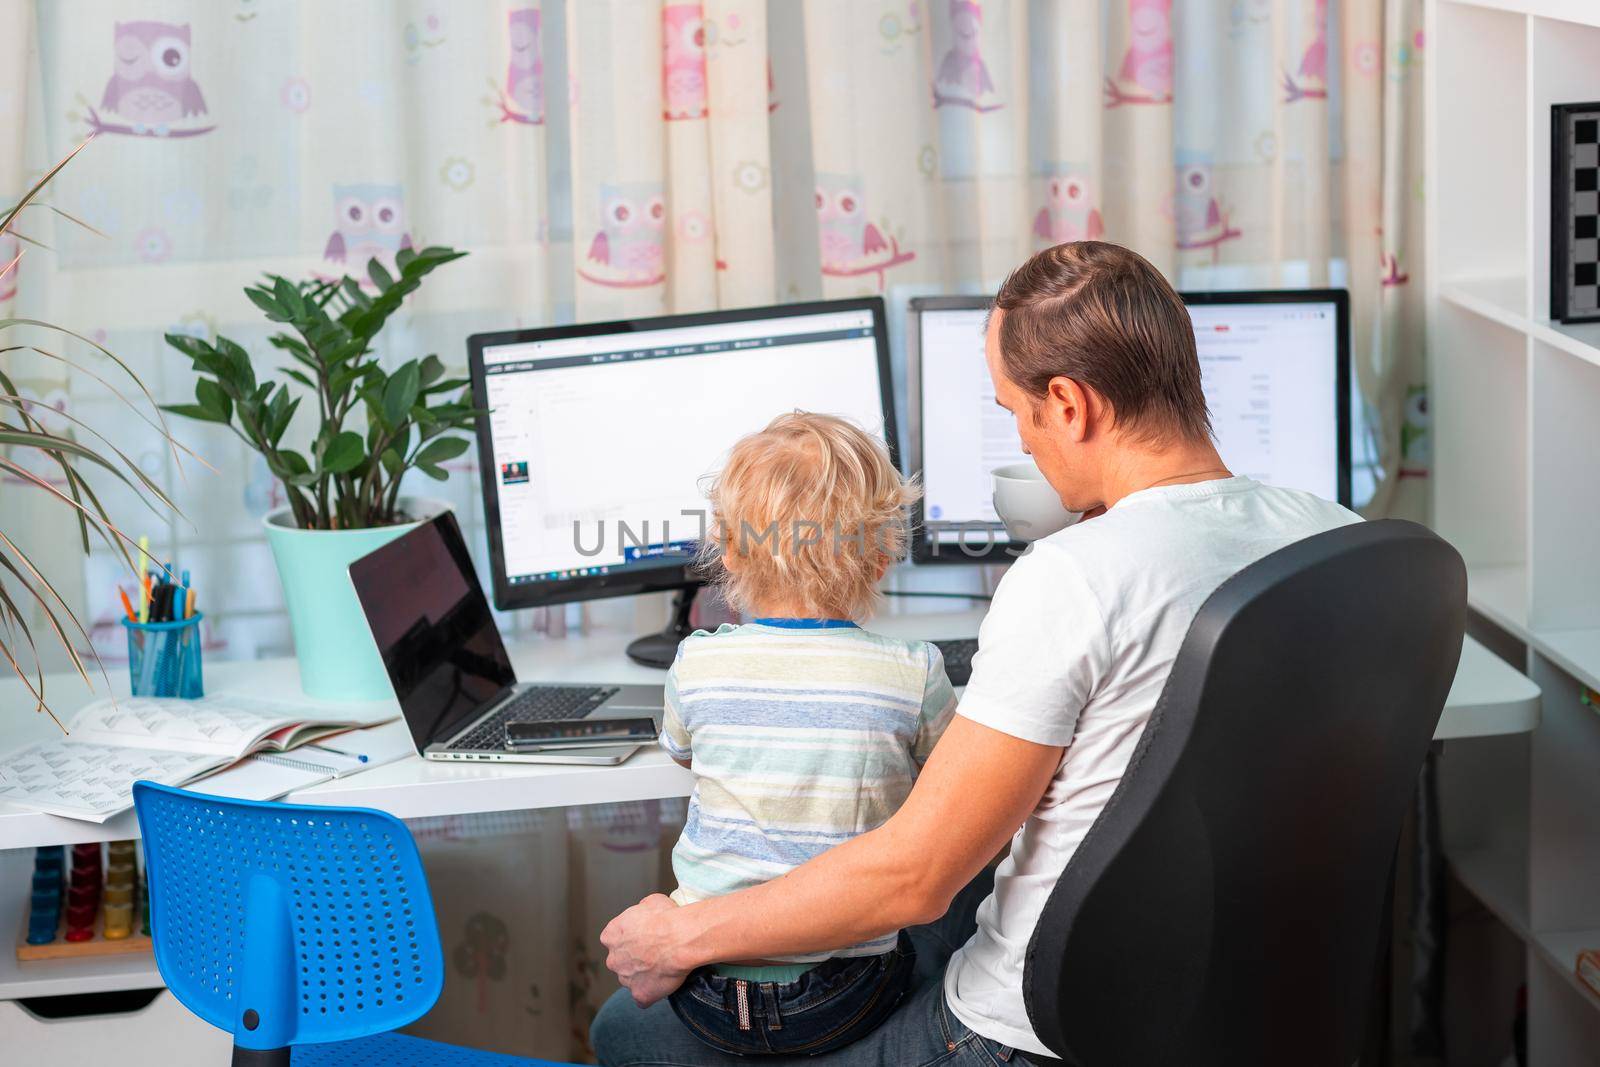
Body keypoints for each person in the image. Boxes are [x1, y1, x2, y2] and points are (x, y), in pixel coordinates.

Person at [592, 241, 1361, 1066]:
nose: (1023, 443)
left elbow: (912, 879)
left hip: (1027, 1039)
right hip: (1249, 1008)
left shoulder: (1075, 576)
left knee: (625, 1030)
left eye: (1015, 413)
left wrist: (678, 936)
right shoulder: (1339, 542)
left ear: (1068, 403)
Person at [652, 411, 958, 1056]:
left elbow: (682, 752)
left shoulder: (696, 662)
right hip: (841, 994)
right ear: (880, 557)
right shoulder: (914, 672)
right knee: (951, 923)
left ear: (728, 549)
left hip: (704, 990)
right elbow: (948, 779)